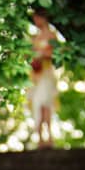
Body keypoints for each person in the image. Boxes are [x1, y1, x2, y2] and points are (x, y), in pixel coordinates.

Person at [28, 9, 58, 150]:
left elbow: (53, 53)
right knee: (37, 105)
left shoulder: (52, 35)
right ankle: (40, 138)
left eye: (37, 18)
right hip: (35, 77)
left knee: (47, 105)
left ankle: (49, 136)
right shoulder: (33, 37)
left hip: (46, 74)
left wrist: (41, 55)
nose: (35, 21)